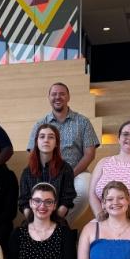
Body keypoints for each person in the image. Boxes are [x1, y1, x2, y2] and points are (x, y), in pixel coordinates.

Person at [29, 83, 100, 223]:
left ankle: (61, 223)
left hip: (76, 173)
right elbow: (33, 152)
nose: (58, 97)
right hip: (47, 173)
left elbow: (89, 154)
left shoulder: (83, 122)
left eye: (62, 94)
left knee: (86, 187)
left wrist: (69, 175)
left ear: (68, 97)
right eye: (54, 94)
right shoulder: (40, 124)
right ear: (49, 98)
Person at [18, 124, 77, 222]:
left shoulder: (66, 169)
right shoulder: (27, 172)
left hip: (57, 221)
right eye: (42, 137)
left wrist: (51, 222)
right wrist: (35, 222)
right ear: (36, 142)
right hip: (33, 222)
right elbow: (24, 202)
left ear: (56, 143)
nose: (46, 140)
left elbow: (67, 200)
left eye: (51, 137)